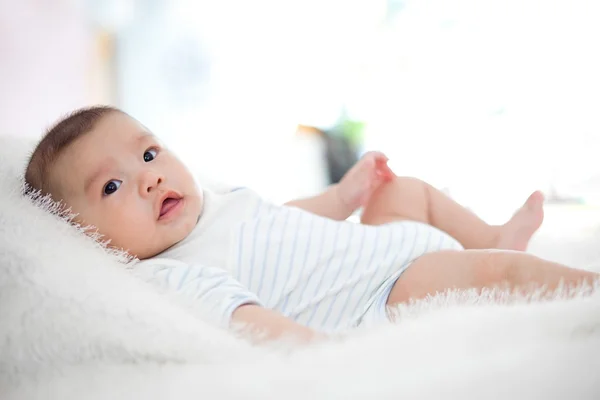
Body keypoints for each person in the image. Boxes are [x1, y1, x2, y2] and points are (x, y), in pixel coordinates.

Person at [24, 106, 598, 343]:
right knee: (499, 274)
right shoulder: (177, 274)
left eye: (149, 155)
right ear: (86, 240)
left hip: (376, 245)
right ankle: (583, 288)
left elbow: (283, 223)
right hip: (383, 290)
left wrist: (344, 196)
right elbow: (255, 324)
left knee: (406, 190)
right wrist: (323, 353)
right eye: (112, 186)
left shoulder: (217, 205)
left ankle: (489, 235)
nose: (148, 178)